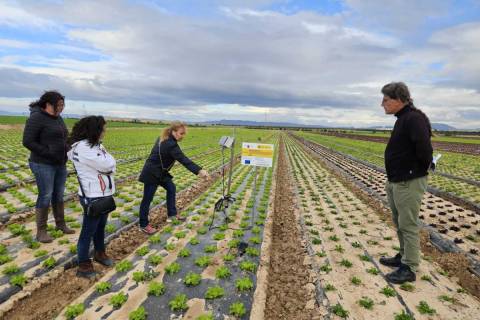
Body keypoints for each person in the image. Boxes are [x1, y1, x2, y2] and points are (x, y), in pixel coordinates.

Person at [379, 82, 433, 284]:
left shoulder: (414, 119)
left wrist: (414, 171)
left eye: (386, 99)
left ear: (399, 100)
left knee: (408, 225)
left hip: (408, 182)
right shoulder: (403, 118)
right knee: (400, 222)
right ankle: (403, 256)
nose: (382, 104)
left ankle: (409, 268)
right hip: (397, 181)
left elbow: (425, 152)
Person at [138, 121, 209, 235]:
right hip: (151, 173)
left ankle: (172, 214)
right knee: (147, 199)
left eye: (184, 134)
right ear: (174, 132)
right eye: (181, 133)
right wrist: (200, 171)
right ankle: (143, 224)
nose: (183, 136)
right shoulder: (170, 144)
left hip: (160, 172)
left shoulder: (166, 138)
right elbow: (183, 160)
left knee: (171, 188)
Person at [67, 116, 116, 278]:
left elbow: (109, 164)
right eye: (103, 128)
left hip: (102, 193)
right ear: (94, 130)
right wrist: (108, 163)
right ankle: (83, 265)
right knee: (88, 231)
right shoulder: (82, 147)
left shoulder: (96, 145)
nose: (105, 131)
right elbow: (108, 164)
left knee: (100, 227)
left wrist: (108, 164)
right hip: (92, 195)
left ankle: (99, 253)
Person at [22, 91, 74, 243]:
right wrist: (48, 152)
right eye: (58, 105)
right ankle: (41, 231)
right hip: (42, 163)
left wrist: (68, 149)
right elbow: (28, 141)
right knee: (45, 195)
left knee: (58, 194)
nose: (61, 108)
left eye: (62, 105)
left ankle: (61, 224)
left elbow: (63, 136)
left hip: (60, 163)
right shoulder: (37, 117)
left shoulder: (58, 118)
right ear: (48, 104)